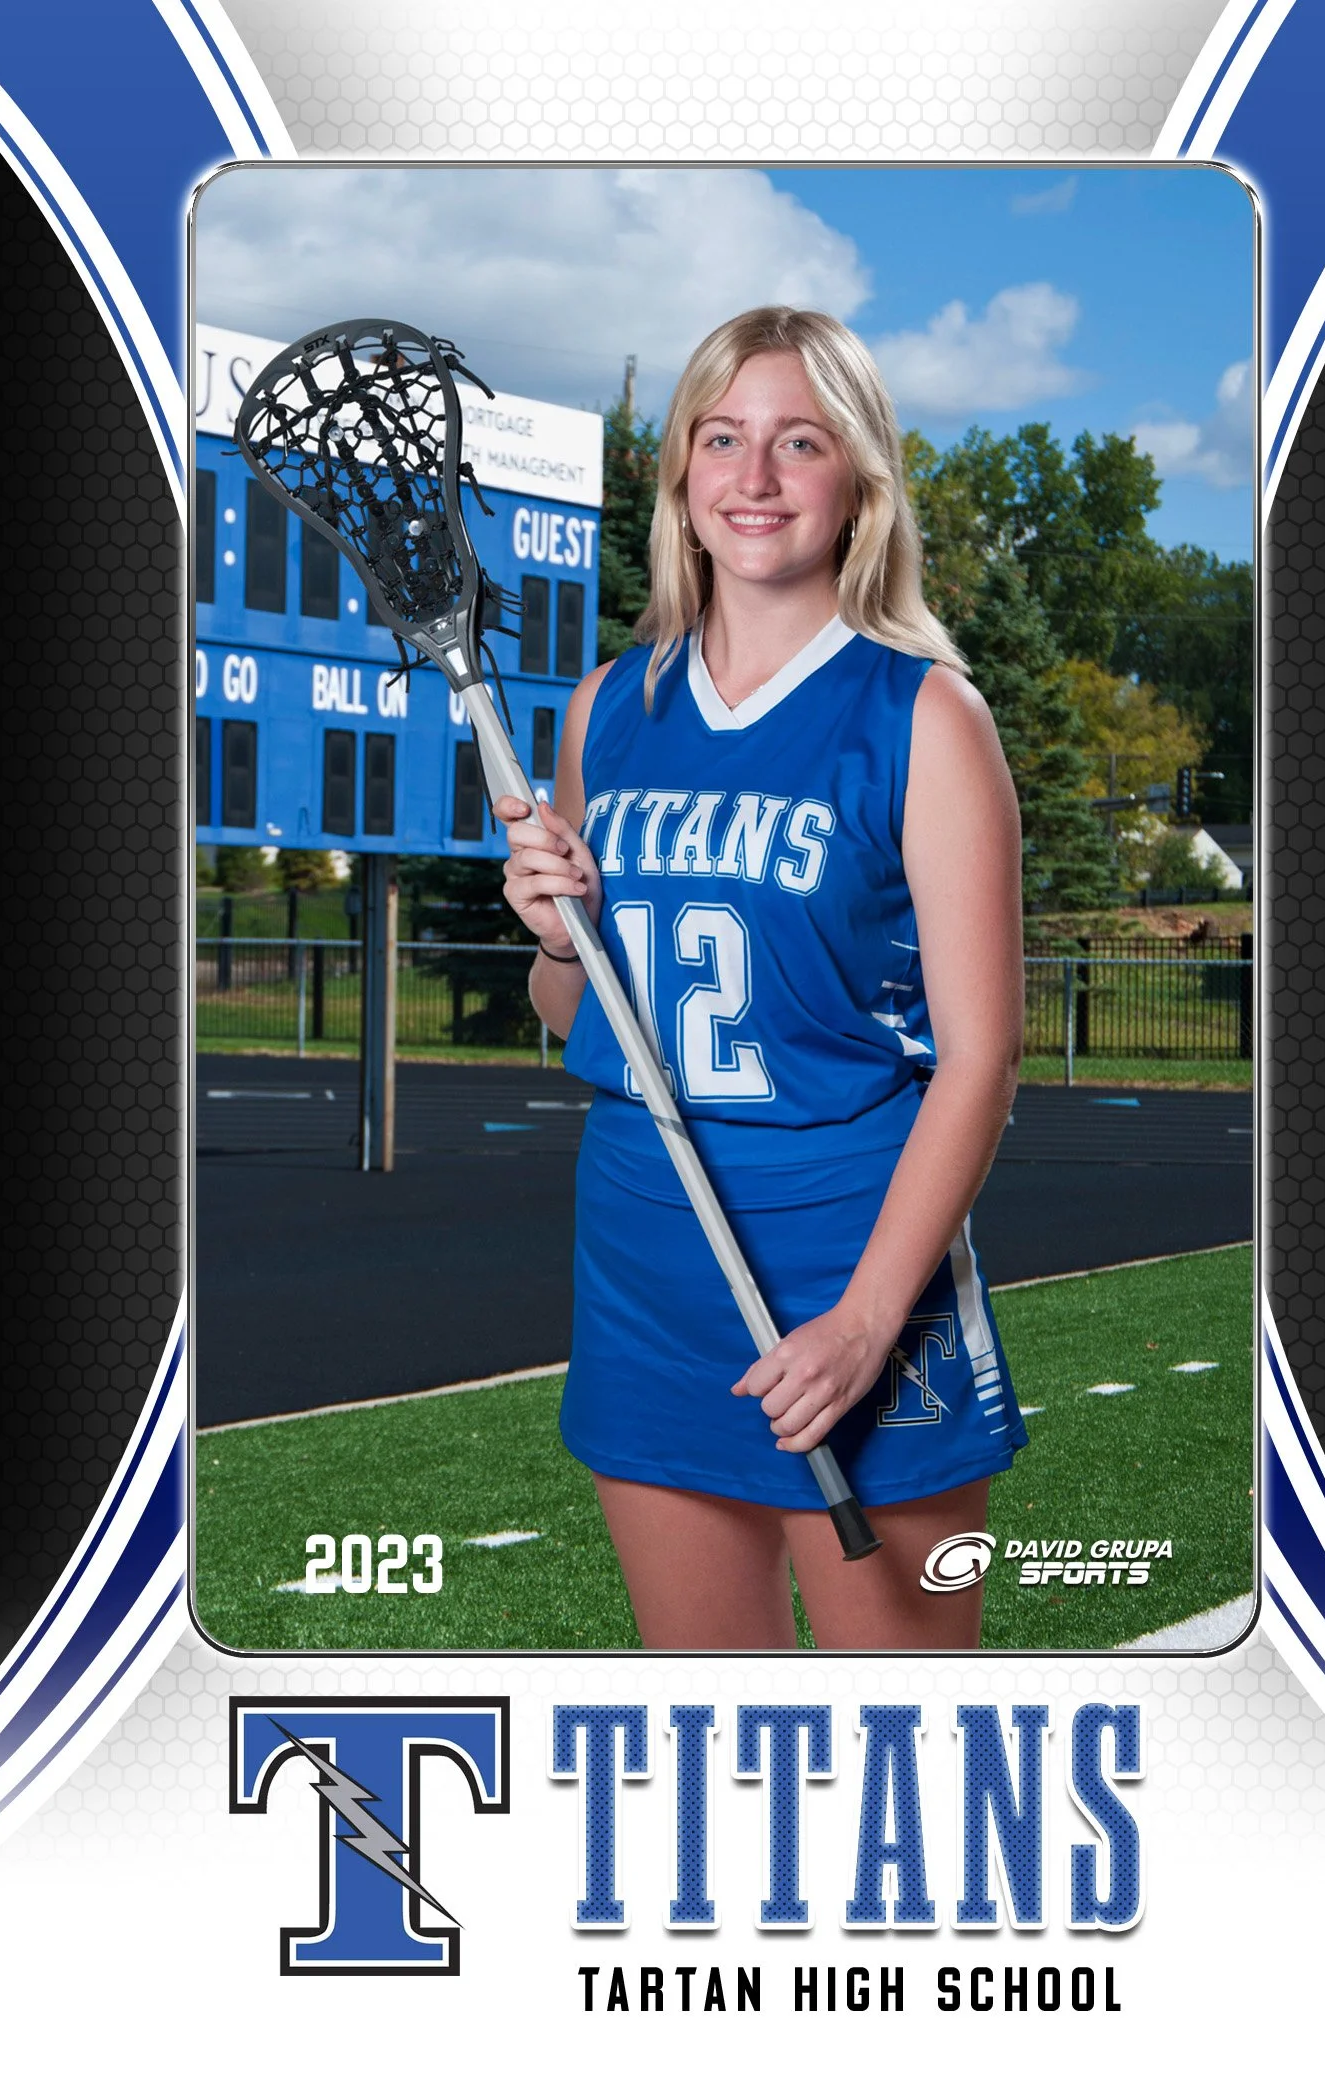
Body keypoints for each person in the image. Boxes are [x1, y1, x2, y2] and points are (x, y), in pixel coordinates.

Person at [497, 306, 1025, 1650]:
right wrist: (560, 939)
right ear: (681, 475)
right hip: (643, 1257)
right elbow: (580, 1019)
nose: (756, 477)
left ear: (859, 483)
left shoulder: (924, 713)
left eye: (800, 442)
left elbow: (982, 1058)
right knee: (707, 1713)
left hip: (851, 1261)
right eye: (721, 439)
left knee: (907, 1745)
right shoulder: (611, 705)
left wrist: (866, 1320)